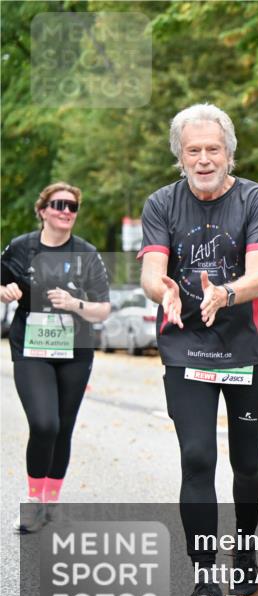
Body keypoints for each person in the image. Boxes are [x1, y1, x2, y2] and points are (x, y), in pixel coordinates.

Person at [138, 103, 258, 596]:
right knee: (197, 458)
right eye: (193, 150)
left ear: (229, 154)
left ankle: (244, 547)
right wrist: (164, 292)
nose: (203, 159)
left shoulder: (255, 199)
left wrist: (225, 293)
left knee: (247, 462)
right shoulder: (162, 203)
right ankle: (205, 582)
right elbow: (152, 273)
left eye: (212, 149)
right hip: (187, 346)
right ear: (180, 156)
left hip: (246, 347)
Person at [1, 182, 111, 533]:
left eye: (72, 207)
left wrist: (75, 303)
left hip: (75, 350)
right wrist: (5, 291)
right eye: (59, 205)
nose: (66, 211)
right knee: (44, 423)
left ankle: (50, 502)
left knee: (63, 427)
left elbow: (102, 309)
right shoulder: (21, 247)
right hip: (31, 347)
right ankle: (34, 501)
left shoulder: (86, 253)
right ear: (43, 210)